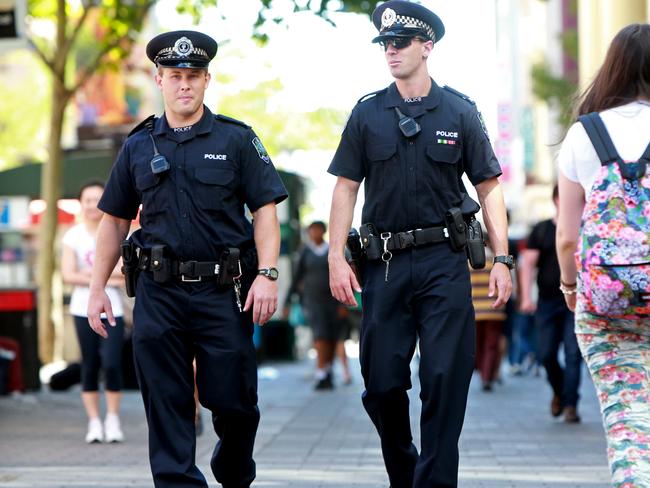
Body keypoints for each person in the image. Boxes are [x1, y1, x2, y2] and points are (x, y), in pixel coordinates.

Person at [87, 30, 288, 488]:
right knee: (167, 401)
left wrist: (268, 274)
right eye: (175, 75)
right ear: (159, 79)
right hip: (159, 294)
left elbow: (265, 211)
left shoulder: (236, 140)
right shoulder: (138, 146)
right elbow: (114, 221)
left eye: (193, 76)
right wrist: (98, 288)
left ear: (206, 80)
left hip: (224, 293)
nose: (184, 84)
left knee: (235, 402)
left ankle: (233, 470)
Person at [327, 2, 513, 487]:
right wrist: (334, 258)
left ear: (427, 47)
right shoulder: (367, 113)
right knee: (383, 384)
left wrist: (503, 258)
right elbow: (345, 186)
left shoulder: (459, 111)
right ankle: (405, 470)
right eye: (385, 44)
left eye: (401, 43)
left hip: (444, 263)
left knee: (445, 379)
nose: (391, 51)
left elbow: (489, 186)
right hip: (383, 265)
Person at [556, 23, 650, 488]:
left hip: (605, 299)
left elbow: (568, 237)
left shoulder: (582, 135)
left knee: (627, 420)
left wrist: (570, 288)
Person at [61, 181, 126, 443]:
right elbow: (67, 274)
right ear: (81, 203)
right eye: (87, 200)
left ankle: (112, 418)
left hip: (115, 309)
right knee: (89, 364)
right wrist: (101, 278)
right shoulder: (72, 236)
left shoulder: (117, 233)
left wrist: (90, 276)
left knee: (112, 364)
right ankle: (94, 422)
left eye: (96, 199)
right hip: (81, 309)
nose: (91, 205)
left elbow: (123, 275)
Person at [519, 185, 582, 423]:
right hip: (547, 302)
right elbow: (527, 265)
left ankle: (571, 405)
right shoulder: (543, 229)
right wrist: (526, 297)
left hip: (576, 302)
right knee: (546, 354)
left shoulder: (585, 227)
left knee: (573, 354)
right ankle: (560, 391)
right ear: (557, 199)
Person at [285, 221, 351, 389]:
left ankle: (328, 371)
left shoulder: (332, 251)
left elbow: (342, 276)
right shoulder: (305, 252)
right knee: (320, 335)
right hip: (313, 301)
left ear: (323, 231)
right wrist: (287, 301)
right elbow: (296, 278)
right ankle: (321, 373)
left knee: (332, 337)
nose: (315, 232)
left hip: (333, 300)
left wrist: (344, 303)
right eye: (312, 230)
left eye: (318, 229)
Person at [470, 246, 507, 392]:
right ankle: (486, 376)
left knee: (477, 344)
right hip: (494, 310)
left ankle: (482, 372)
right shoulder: (497, 262)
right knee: (491, 345)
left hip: (475, 310)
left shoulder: (469, 261)